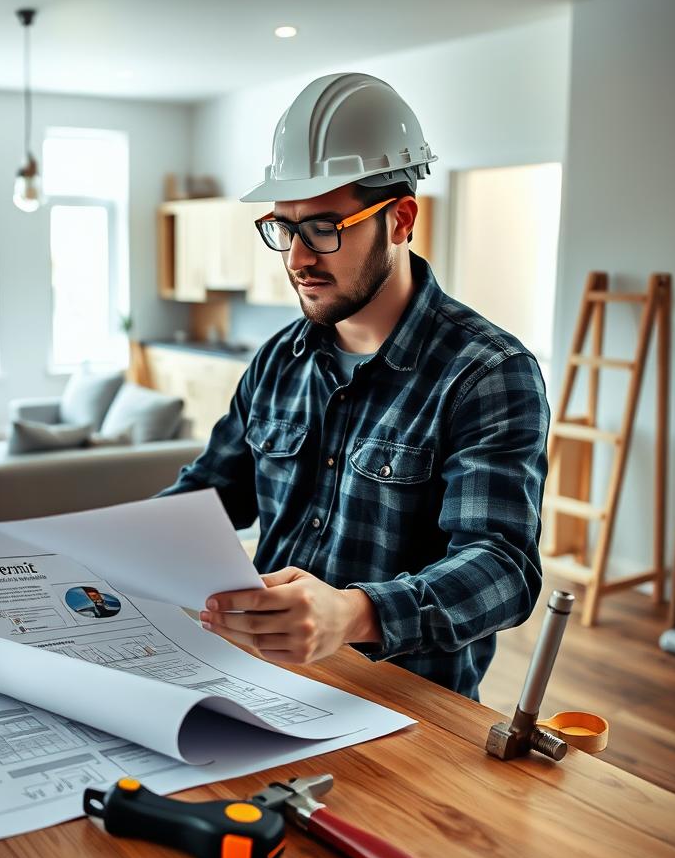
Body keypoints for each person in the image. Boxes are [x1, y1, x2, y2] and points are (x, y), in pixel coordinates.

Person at [157, 72, 549, 699]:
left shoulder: (486, 372)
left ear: (399, 220)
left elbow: (503, 570)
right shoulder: (278, 360)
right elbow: (210, 497)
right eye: (284, 228)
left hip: (405, 710)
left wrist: (355, 614)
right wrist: (95, 546)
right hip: (261, 680)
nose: (297, 258)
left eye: (321, 228)